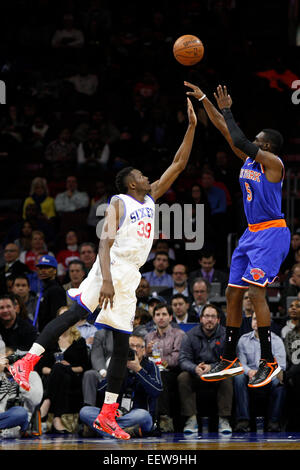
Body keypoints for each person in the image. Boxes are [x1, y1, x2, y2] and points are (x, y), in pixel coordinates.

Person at [9, 97, 197, 440]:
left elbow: (179, 164)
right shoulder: (119, 202)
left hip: (130, 274)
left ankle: (108, 413)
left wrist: (192, 127)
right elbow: (105, 241)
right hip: (111, 266)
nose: (145, 176)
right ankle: (26, 362)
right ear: (130, 184)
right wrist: (107, 279)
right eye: (140, 175)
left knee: (124, 342)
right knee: (75, 313)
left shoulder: (151, 196)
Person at [185, 81, 291, 387]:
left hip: (272, 233)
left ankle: (268, 361)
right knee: (233, 292)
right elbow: (225, 130)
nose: (251, 142)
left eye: (258, 140)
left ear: (266, 146)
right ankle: (230, 357)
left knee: (256, 292)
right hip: (251, 234)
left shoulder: (274, 164)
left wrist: (230, 108)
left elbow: (241, 139)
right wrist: (206, 99)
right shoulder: (249, 160)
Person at [79, 333, 162, 438]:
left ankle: (105, 431)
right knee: (85, 411)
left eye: (138, 346)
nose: (134, 349)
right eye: (131, 346)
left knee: (143, 415)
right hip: (115, 416)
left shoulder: (151, 366)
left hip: (137, 415)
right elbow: (101, 390)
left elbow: (157, 391)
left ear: (144, 350)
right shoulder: (117, 364)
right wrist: (118, 371)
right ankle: (123, 431)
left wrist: (138, 370)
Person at [178, 304, 233, 434]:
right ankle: (191, 419)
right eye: (207, 316)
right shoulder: (190, 335)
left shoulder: (226, 335)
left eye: (213, 317)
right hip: (196, 373)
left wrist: (212, 367)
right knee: (183, 377)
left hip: (217, 373)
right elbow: (183, 359)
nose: (209, 319)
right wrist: (195, 368)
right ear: (201, 319)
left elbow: (230, 361)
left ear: (218, 320)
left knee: (227, 376)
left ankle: (223, 419)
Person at [38, 307, 89, 433]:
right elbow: (41, 367)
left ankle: (47, 401)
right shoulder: (49, 341)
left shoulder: (79, 341)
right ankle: (57, 418)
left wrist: (66, 367)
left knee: (61, 369)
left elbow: (84, 367)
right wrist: (57, 370)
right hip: (53, 378)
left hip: (74, 378)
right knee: (60, 372)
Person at [234, 313, 286, 432]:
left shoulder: (276, 341)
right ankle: (243, 421)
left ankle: (274, 422)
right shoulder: (243, 339)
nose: (257, 321)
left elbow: (281, 366)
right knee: (238, 377)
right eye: (254, 319)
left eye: (261, 319)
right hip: (250, 376)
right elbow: (241, 363)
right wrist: (250, 372)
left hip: (269, 376)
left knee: (279, 381)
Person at [145, 303, 185, 432]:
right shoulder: (148, 337)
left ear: (170, 317)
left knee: (161, 376)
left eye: (164, 314)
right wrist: (147, 352)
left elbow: (176, 359)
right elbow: (143, 358)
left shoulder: (179, 334)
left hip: (172, 372)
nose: (161, 317)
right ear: (154, 318)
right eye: (158, 315)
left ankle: (164, 418)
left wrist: (159, 361)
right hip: (152, 371)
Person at [0, 348, 43, 439]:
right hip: (2, 416)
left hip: (18, 419)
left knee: (20, 412)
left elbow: (36, 400)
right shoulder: (1, 376)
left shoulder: (32, 375)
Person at [34, 255, 67, 332]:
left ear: (55, 271)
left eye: (46, 268)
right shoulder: (45, 289)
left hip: (50, 335)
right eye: (41, 268)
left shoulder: (56, 290)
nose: (43, 271)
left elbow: (57, 318)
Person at [82, 328, 113, 408]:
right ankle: (89, 408)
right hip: (105, 371)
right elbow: (97, 355)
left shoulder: (131, 333)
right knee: (89, 374)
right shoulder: (101, 334)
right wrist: (102, 371)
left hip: (124, 371)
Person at [283, 298, 300, 430]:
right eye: (292, 306)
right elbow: (292, 357)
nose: (294, 308)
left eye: (298, 306)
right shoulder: (289, 334)